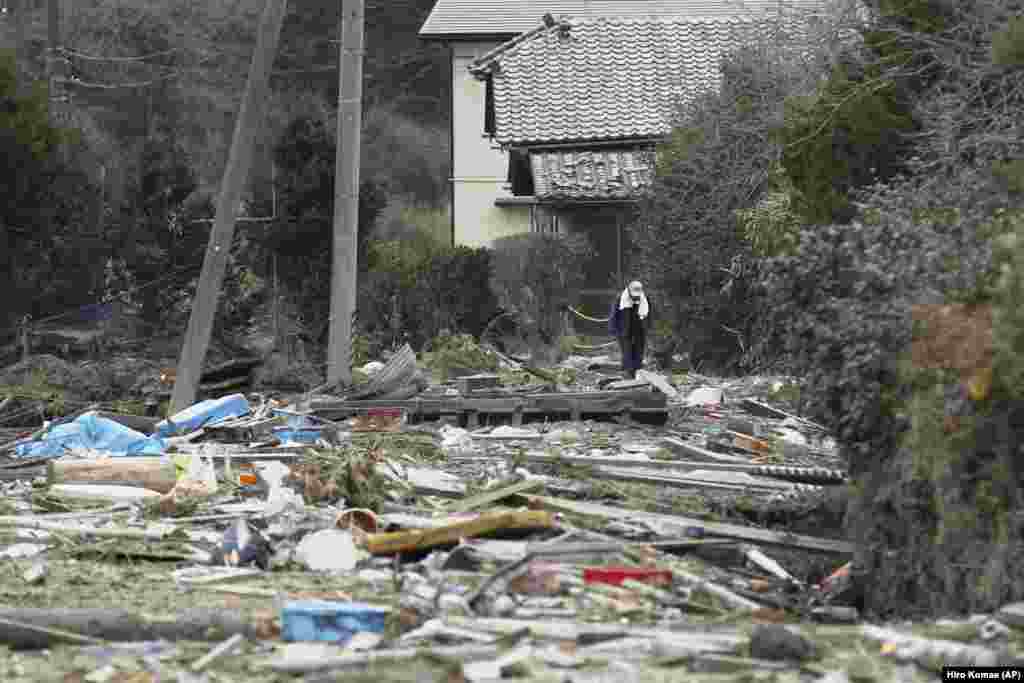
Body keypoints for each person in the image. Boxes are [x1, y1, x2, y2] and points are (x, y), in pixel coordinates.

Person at [608, 280, 651, 380]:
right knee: (627, 353)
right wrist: (613, 329)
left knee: (639, 353)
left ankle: (638, 374)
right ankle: (627, 374)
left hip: (639, 330)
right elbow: (614, 315)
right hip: (624, 330)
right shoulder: (620, 299)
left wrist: (648, 327)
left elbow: (649, 315)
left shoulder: (645, 299)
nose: (635, 297)